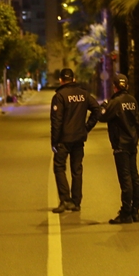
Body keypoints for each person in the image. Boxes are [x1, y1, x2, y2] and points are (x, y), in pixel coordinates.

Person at [49, 67, 100, 213]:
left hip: (64, 140)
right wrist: (86, 128)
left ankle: (65, 200)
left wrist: (54, 142)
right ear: (74, 79)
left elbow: (56, 121)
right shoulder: (84, 94)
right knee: (77, 170)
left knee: (59, 167)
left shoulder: (60, 96)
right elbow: (96, 109)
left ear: (61, 80)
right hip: (79, 138)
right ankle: (76, 202)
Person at [99, 73, 139, 225]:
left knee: (125, 179)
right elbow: (137, 122)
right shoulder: (133, 101)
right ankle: (136, 210)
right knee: (134, 176)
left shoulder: (115, 102)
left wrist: (104, 104)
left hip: (120, 145)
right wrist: (136, 139)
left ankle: (126, 212)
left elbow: (101, 115)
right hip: (132, 143)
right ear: (127, 86)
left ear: (115, 87)